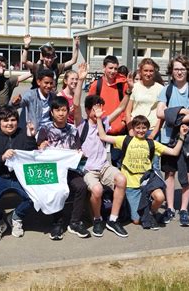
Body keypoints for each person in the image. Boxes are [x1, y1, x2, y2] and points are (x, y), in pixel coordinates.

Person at [96, 112, 189, 229]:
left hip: (146, 182)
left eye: (144, 128)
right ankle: (138, 208)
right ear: (133, 128)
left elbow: (174, 152)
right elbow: (103, 136)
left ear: (147, 129)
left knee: (160, 197)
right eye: (138, 128)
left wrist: (181, 136)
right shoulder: (125, 140)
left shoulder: (152, 143)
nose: (141, 130)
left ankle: (150, 213)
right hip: (131, 185)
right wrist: (99, 118)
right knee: (136, 220)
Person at [73, 63, 130, 238]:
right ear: (89, 109)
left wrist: (129, 91)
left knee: (121, 179)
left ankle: (113, 219)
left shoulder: (103, 122)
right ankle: (97, 219)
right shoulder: (81, 124)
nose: (100, 110)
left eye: (101, 107)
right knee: (97, 190)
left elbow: (120, 108)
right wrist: (81, 80)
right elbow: (76, 105)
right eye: (97, 107)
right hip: (88, 169)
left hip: (104, 166)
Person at [156, 55, 189, 227]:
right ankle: (170, 208)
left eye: (182, 69)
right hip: (168, 139)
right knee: (169, 174)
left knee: (188, 173)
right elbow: (159, 113)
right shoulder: (167, 90)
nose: (179, 72)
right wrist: (183, 111)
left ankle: (184, 209)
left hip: (188, 139)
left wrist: (172, 114)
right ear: (171, 71)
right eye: (176, 69)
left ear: (188, 70)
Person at [0, 106, 37, 243]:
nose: (9, 123)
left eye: (13, 120)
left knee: (36, 193)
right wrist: (2, 158)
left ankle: (16, 216)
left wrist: (31, 137)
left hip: (19, 177)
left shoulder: (24, 134)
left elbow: (32, 156)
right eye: (5, 120)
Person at [36, 95, 89, 240]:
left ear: (68, 112)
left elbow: (78, 149)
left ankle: (75, 222)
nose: (61, 113)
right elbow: (37, 150)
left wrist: (79, 153)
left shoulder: (73, 130)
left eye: (64, 110)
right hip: (52, 170)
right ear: (52, 112)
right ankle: (57, 223)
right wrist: (41, 146)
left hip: (69, 169)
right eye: (57, 110)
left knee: (81, 186)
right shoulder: (45, 129)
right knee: (57, 189)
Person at [88, 55, 129, 168]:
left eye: (115, 68)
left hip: (118, 130)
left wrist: (123, 121)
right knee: (98, 161)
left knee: (119, 162)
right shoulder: (96, 85)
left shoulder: (123, 84)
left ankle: (119, 185)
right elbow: (89, 106)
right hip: (100, 129)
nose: (113, 71)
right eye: (110, 68)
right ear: (104, 68)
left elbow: (128, 104)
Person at [125, 58, 164, 173]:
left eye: (151, 71)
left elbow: (162, 115)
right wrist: (130, 130)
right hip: (136, 130)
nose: (148, 73)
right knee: (135, 163)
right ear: (140, 71)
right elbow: (128, 111)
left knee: (154, 164)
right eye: (145, 70)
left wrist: (153, 133)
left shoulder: (161, 89)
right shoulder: (135, 87)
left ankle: (155, 190)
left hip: (152, 130)